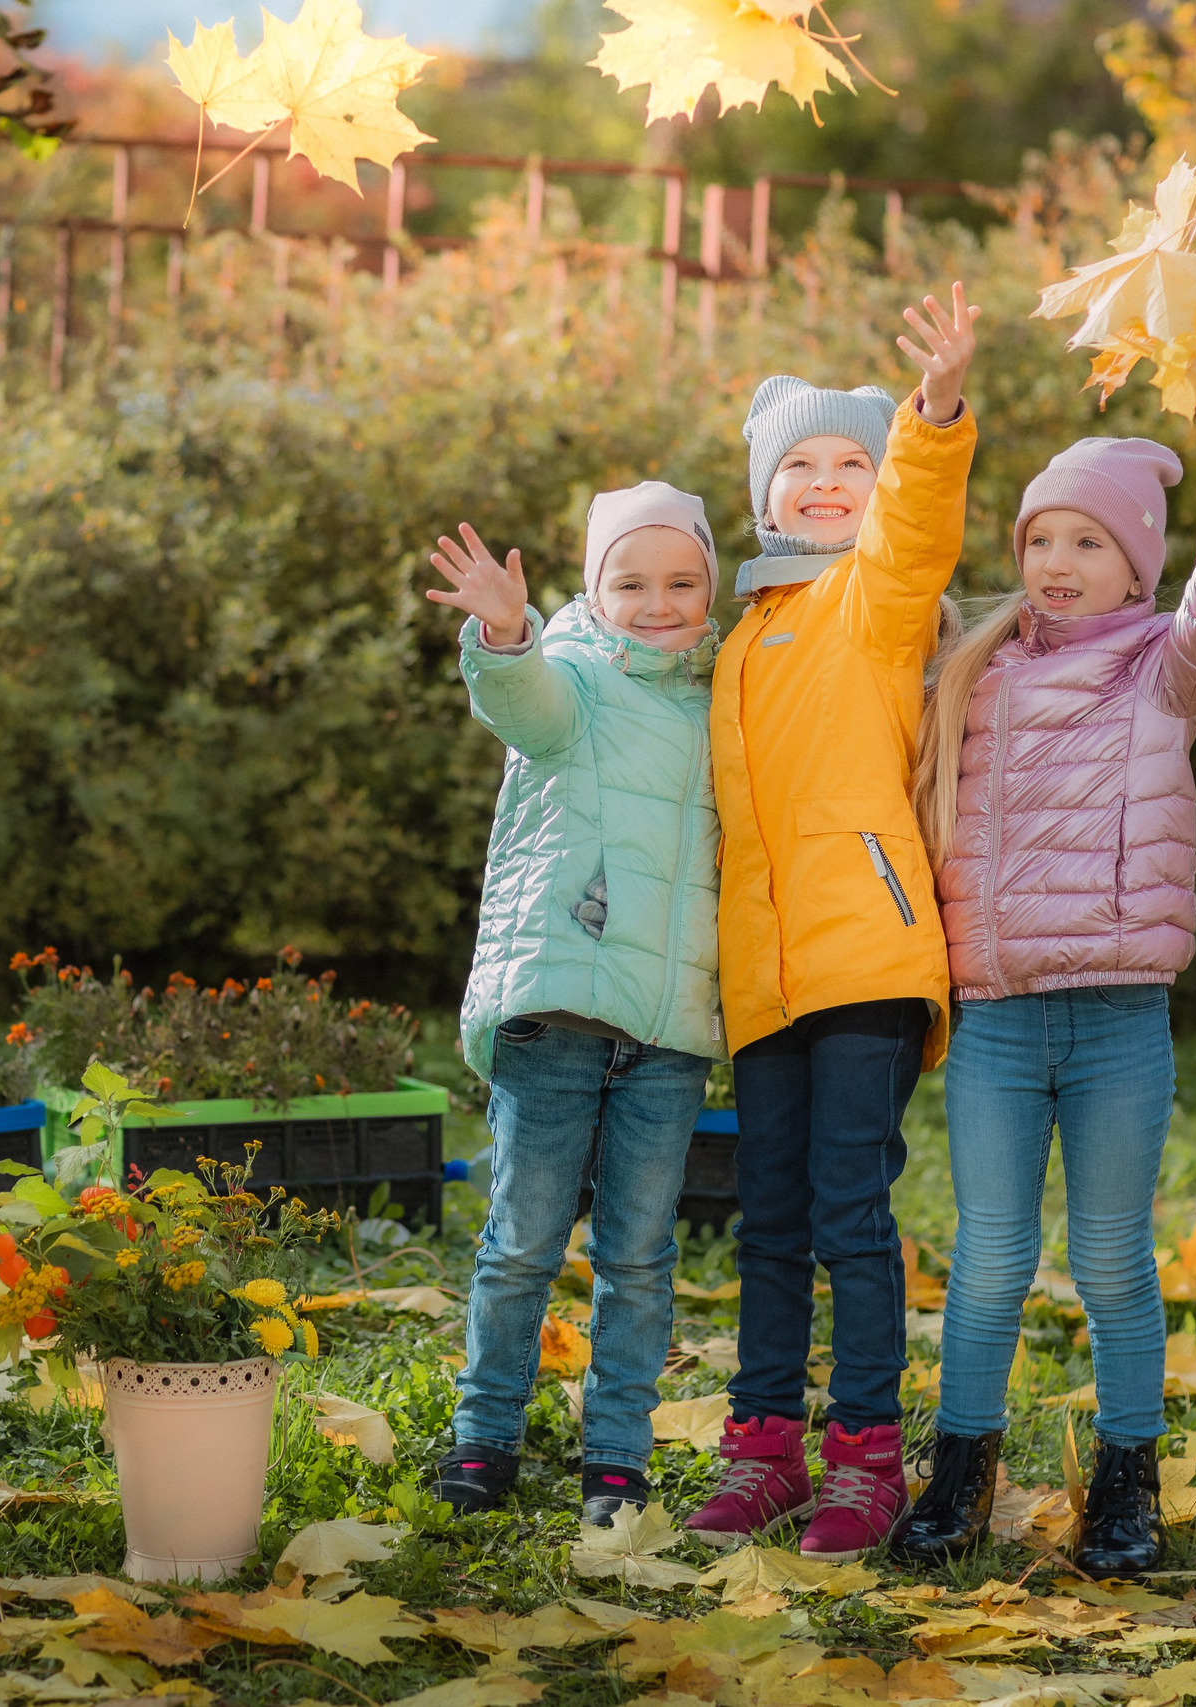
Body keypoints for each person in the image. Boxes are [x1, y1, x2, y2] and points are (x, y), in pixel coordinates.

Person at [891, 426, 1196, 1575]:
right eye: (1040, 538)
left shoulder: (1166, 670)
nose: (1056, 560)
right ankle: (959, 1478)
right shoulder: (975, 669)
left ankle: (1125, 1487)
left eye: (1087, 540)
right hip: (1002, 1023)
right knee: (989, 1260)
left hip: (1117, 1020)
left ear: (1139, 567)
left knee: (1114, 1259)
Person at [692, 285, 983, 1560]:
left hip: (864, 958)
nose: (824, 483)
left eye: (848, 464)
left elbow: (916, 529)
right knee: (767, 1218)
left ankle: (865, 1453)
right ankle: (763, 1447)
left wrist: (932, 416)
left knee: (849, 1213)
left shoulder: (876, 605)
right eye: (797, 464)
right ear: (761, 494)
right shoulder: (743, 629)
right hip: (764, 977)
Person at [422, 481, 728, 1526]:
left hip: (669, 1032)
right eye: (630, 581)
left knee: (640, 1256)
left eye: (682, 581)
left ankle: (616, 1459)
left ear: (710, 588)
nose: (657, 602)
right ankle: (483, 1439)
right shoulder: (576, 681)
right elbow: (525, 702)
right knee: (521, 1243)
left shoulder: (723, 701)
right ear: (592, 593)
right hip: (557, 1013)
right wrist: (505, 636)